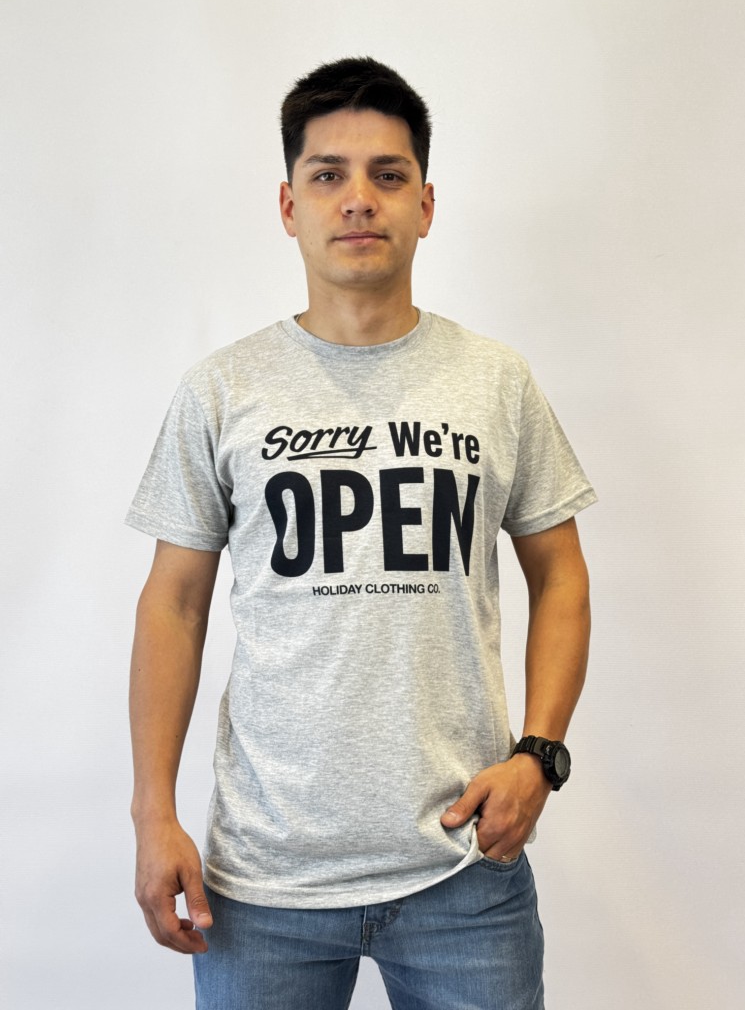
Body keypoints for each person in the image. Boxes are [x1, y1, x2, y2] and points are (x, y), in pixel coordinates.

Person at [127, 56, 596, 1010]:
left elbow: (561, 576)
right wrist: (151, 813)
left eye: (388, 175)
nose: (357, 199)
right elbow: (173, 605)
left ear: (426, 204)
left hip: (465, 869)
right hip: (263, 883)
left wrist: (539, 756)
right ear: (288, 204)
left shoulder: (495, 381)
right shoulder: (223, 390)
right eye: (327, 174)